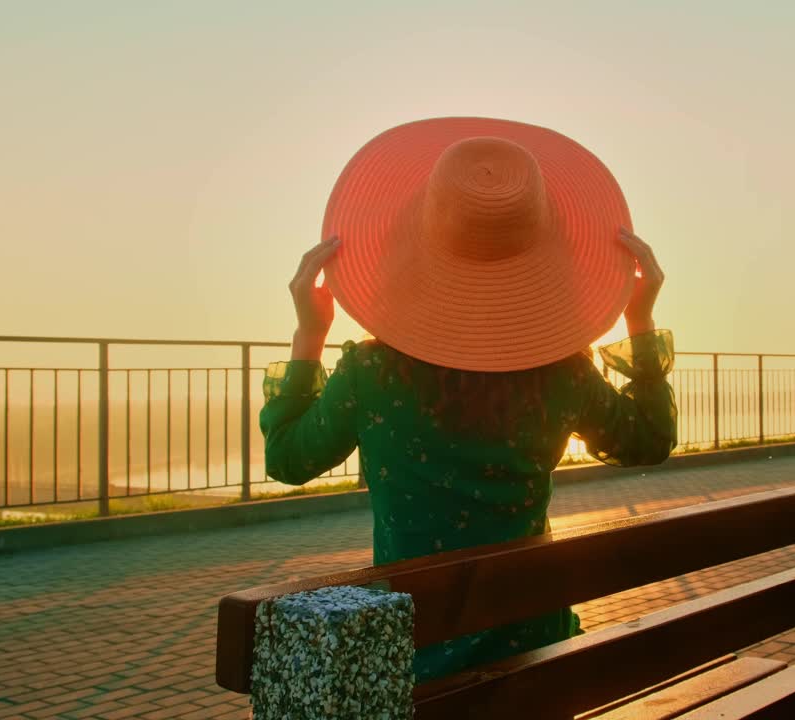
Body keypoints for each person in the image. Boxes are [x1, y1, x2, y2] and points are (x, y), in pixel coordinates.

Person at [258, 117, 677, 682]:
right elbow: (650, 440)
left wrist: (309, 337)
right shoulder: (561, 376)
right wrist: (640, 318)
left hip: (416, 661)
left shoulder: (371, 374)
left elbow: (287, 460)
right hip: (537, 657)